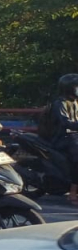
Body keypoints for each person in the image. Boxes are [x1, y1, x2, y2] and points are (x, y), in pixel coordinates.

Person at [43, 73, 78, 205]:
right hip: (63, 138)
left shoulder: (75, 102)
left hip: (73, 136)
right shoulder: (60, 103)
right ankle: (73, 193)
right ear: (70, 88)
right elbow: (65, 123)